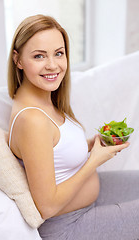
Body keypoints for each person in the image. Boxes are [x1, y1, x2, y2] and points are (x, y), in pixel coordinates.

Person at [8, 15, 139, 239]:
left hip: (87, 199)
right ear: (18, 60)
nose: (52, 65)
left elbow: (52, 153)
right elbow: (46, 207)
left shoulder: (43, 97)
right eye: (39, 56)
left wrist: (91, 145)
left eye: (58, 53)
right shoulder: (32, 120)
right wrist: (95, 160)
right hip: (69, 226)